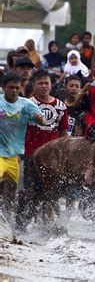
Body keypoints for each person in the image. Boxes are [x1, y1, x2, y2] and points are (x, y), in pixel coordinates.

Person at [0, 74, 45, 221]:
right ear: (3, 88)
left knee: (12, 189)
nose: (14, 91)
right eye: (11, 87)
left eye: (17, 88)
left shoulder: (25, 104)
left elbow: (42, 120)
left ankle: (8, 219)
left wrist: (40, 119)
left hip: (15, 155)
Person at [24, 70, 68, 190]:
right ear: (33, 85)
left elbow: (63, 133)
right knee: (30, 190)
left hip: (52, 155)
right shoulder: (26, 104)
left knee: (51, 191)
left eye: (46, 83)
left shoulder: (61, 106)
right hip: (30, 153)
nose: (44, 86)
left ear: (51, 85)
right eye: (40, 83)